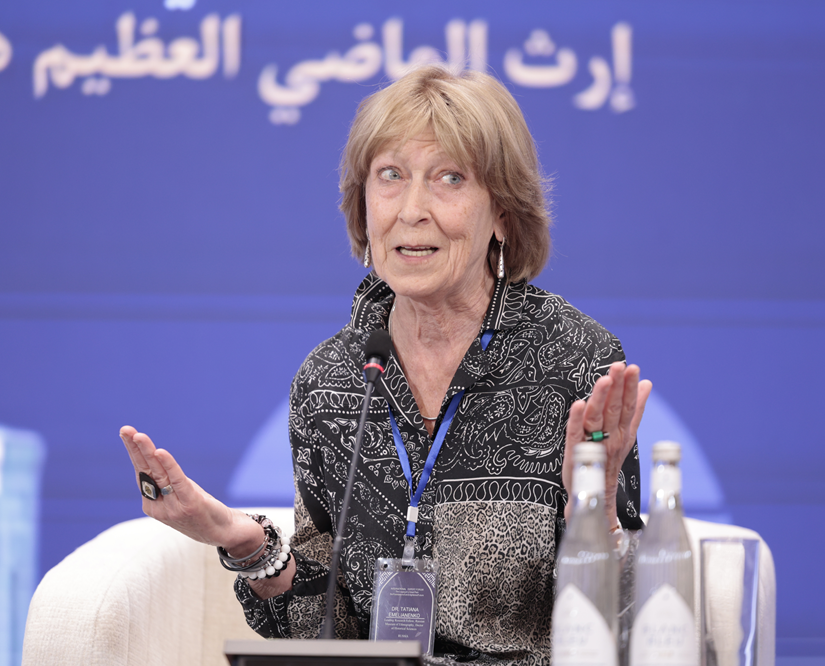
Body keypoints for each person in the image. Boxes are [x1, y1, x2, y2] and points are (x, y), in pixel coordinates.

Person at [120, 65, 651, 666]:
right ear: (363, 205)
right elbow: (327, 635)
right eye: (391, 176)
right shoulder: (332, 381)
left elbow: (627, 628)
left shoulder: (576, 362)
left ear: (503, 213)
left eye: (450, 178)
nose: (412, 209)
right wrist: (245, 544)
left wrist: (595, 515)